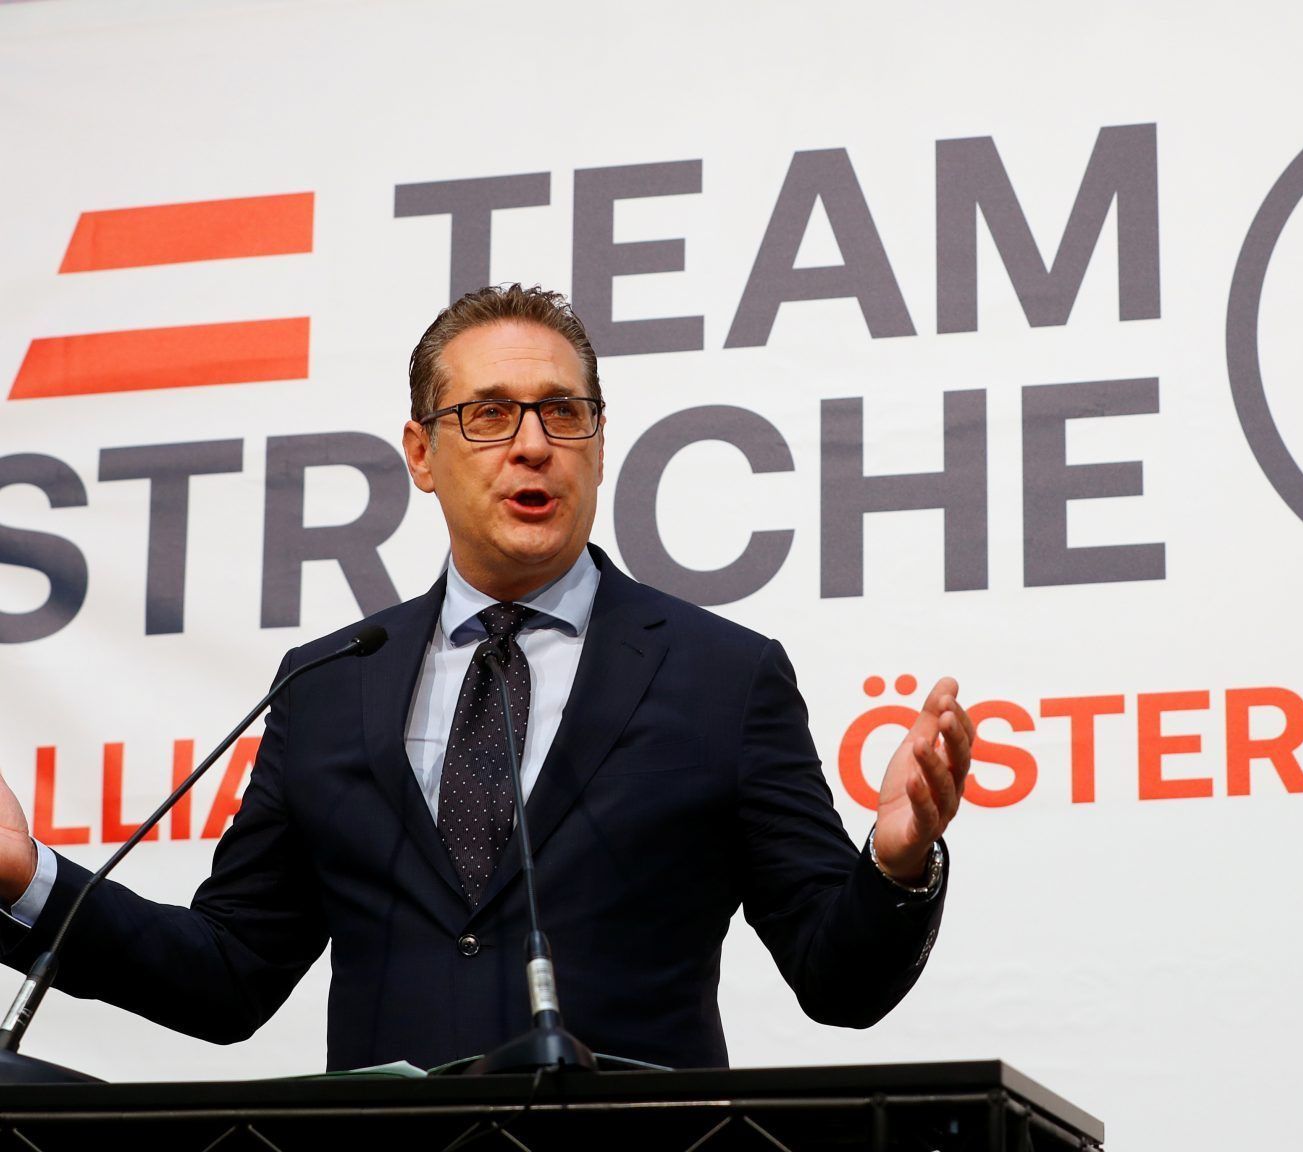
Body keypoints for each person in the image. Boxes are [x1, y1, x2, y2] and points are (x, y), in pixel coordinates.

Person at [0, 284, 975, 1072]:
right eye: (490, 414)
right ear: (421, 453)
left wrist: (896, 867)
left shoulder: (722, 675)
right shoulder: (330, 683)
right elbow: (226, 975)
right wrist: (24, 877)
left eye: (564, 412)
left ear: (599, 444)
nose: (533, 443)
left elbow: (837, 983)